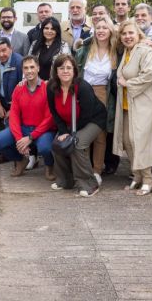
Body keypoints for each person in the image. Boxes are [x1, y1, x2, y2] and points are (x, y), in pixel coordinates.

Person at [114, 19, 152, 196]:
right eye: (124, 34)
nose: (127, 36)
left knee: (140, 141)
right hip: (127, 105)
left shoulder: (146, 51)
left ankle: (148, 179)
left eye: (130, 33)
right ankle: (137, 175)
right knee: (127, 140)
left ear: (138, 34)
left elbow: (150, 74)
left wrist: (127, 83)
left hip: (144, 104)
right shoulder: (127, 52)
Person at [47, 55, 108, 197]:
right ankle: (65, 181)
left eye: (69, 68)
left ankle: (90, 184)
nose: (65, 71)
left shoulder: (83, 87)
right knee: (58, 143)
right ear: (56, 71)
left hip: (93, 120)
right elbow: (54, 112)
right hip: (70, 123)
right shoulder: (51, 87)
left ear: (74, 70)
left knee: (77, 143)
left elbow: (86, 115)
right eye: (61, 68)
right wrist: (63, 131)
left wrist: (70, 134)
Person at [0, 55, 56, 180]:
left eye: (32, 67)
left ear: (38, 68)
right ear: (23, 70)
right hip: (24, 128)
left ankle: (49, 165)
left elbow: (49, 118)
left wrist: (30, 138)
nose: (29, 70)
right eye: (26, 68)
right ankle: (20, 160)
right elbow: (14, 115)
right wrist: (20, 139)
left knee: (45, 148)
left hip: (43, 130)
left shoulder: (47, 88)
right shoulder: (19, 88)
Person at [74, 17, 116, 185]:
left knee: (100, 134)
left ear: (110, 31)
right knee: (84, 131)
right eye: (98, 27)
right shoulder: (84, 49)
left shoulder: (116, 51)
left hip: (103, 93)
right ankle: (84, 170)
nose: (101, 30)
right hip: (83, 92)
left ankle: (97, 170)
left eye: (105, 27)